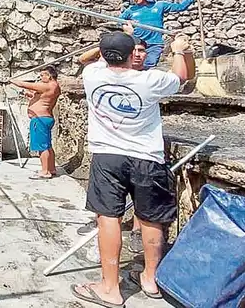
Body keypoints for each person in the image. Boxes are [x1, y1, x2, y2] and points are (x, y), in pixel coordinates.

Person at [70, 24, 195, 306]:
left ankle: (109, 288)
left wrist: (117, 39)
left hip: (108, 157)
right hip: (147, 157)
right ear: (131, 55)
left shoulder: (92, 75)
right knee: (151, 219)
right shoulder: (150, 80)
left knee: (108, 218)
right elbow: (182, 77)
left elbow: (89, 58)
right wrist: (179, 50)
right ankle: (150, 279)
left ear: (104, 54)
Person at [119, 0, 194, 68]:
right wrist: (127, 24)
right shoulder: (131, 10)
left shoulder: (159, 5)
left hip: (154, 43)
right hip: (138, 43)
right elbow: (119, 20)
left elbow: (180, 7)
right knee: (135, 65)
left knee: (149, 64)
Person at [10, 66, 62, 180]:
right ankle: (51, 169)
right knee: (47, 145)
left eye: (43, 75)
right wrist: (32, 96)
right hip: (46, 118)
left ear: (49, 75)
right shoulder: (55, 87)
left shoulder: (48, 85)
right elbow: (43, 98)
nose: (41, 77)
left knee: (42, 147)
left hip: (40, 119)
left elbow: (25, 85)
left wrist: (11, 80)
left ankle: (45, 172)